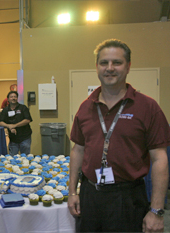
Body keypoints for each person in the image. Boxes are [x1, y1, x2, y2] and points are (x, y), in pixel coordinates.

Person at [68, 39, 170, 232]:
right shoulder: (86, 107)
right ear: (97, 67)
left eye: (117, 62)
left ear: (129, 66)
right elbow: (78, 150)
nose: (110, 68)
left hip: (127, 198)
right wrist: (73, 191)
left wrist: (156, 210)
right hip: (90, 195)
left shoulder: (148, 107)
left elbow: (160, 159)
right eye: (104, 63)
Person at [0, 91, 32, 155]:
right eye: (11, 97)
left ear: (17, 98)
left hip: (25, 137)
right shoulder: (5, 110)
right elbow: (0, 122)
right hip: (13, 139)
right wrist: (9, 126)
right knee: (12, 158)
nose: (13, 98)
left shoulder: (23, 108)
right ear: (8, 99)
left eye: (15, 97)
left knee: (25, 157)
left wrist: (15, 125)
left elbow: (27, 120)